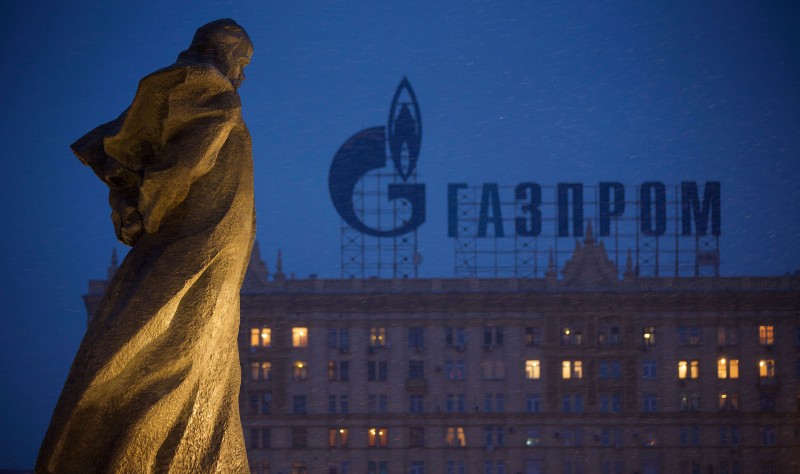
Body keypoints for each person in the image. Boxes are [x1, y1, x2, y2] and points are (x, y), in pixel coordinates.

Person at [37, 19, 254, 473]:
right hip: (200, 245)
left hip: (208, 245)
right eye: (242, 62)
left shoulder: (184, 89)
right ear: (225, 51)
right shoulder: (210, 90)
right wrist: (148, 208)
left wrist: (142, 203)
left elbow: (142, 154)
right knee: (171, 351)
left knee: (191, 352)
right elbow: (180, 165)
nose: (243, 74)